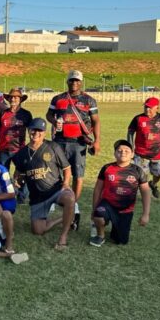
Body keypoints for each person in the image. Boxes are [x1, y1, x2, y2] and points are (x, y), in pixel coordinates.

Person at [46, 70, 100, 230]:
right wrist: (54, 122)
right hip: (59, 140)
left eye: (77, 80)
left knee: (78, 174)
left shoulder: (89, 100)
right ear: (67, 81)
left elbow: (96, 121)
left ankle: (73, 203)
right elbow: (49, 114)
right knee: (55, 171)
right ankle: (53, 198)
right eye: (71, 80)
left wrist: (97, 141)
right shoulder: (58, 98)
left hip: (79, 142)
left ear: (81, 82)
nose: (74, 83)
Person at [12, 118, 75, 252]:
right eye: (33, 130)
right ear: (29, 130)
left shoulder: (53, 147)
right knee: (38, 231)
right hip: (37, 198)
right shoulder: (21, 153)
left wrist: (66, 184)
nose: (36, 133)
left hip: (55, 190)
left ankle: (63, 236)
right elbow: (19, 173)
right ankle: (66, 218)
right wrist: (17, 181)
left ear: (44, 133)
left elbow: (67, 168)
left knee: (70, 198)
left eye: (40, 130)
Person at [90, 140, 151, 247]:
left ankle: (115, 227)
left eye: (127, 151)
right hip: (107, 204)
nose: (123, 153)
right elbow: (98, 189)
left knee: (120, 241)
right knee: (99, 215)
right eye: (119, 150)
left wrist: (145, 214)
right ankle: (100, 235)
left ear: (132, 154)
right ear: (114, 153)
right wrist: (94, 209)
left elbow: (145, 192)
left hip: (125, 210)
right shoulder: (107, 168)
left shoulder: (138, 171)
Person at [127, 97, 160, 199]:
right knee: (141, 175)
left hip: (158, 153)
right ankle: (143, 193)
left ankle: (153, 184)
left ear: (157, 108)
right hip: (141, 153)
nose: (147, 109)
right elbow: (130, 132)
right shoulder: (138, 118)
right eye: (145, 107)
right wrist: (130, 148)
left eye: (150, 107)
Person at [0, 88, 32, 202]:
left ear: (20, 99)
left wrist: (32, 147)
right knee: (2, 174)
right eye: (11, 97)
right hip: (4, 150)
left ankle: (22, 196)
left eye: (16, 97)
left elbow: (31, 131)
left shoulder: (26, 114)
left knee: (24, 173)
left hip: (19, 149)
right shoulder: (3, 113)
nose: (13, 99)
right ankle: (6, 195)